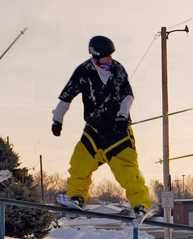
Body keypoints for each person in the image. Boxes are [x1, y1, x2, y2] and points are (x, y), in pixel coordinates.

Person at [51, 36, 152, 218]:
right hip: (94, 131)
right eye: (106, 56)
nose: (110, 59)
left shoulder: (118, 70)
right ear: (95, 56)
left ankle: (140, 205)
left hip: (117, 132)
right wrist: (57, 120)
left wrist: (122, 116)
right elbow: (66, 97)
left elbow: (128, 96)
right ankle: (76, 197)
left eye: (111, 55)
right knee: (79, 165)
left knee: (128, 173)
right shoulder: (83, 71)